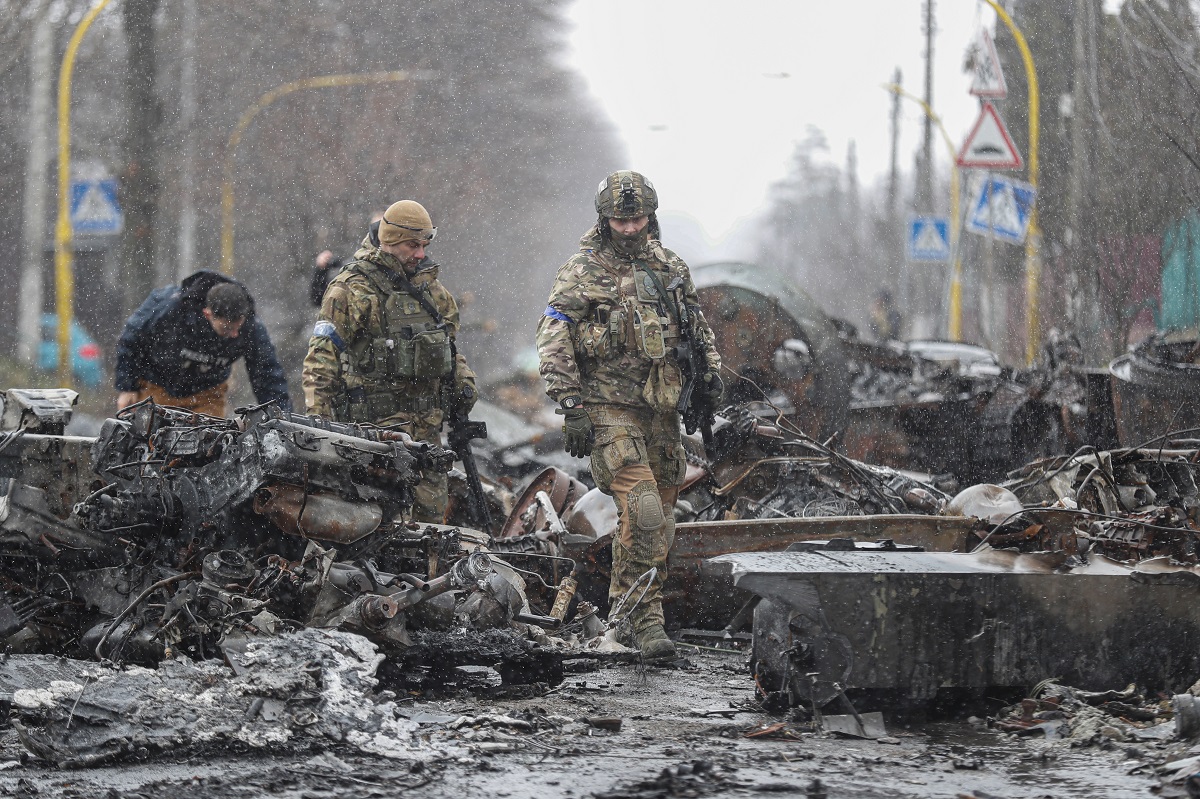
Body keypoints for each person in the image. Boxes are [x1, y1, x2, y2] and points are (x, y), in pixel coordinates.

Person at [535, 170, 723, 661]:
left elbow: (696, 329)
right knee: (640, 506)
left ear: (651, 216)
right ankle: (647, 619)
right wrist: (571, 404)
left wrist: (709, 381)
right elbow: (553, 335)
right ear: (605, 219)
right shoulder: (582, 270)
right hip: (607, 408)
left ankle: (623, 608)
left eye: (637, 218)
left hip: (660, 413)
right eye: (620, 220)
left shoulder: (670, 267)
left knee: (656, 522)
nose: (629, 228)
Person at [302, 200, 477, 524]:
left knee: (429, 529)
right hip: (372, 438)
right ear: (390, 241)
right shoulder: (351, 289)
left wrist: (463, 381)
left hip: (426, 436)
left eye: (424, 245)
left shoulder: (432, 292)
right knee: (377, 529)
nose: (421, 253)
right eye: (413, 245)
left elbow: (447, 348)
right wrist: (319, 429)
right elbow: (320, 361)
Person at [115, 270, 291, 416]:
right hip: (158, 386)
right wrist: (127, 387)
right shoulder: (169, 309)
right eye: (227, 329)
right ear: (208, 314)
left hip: (207, 393)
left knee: (209, 449)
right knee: (155, 448)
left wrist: (280, 416)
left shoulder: (251, 328)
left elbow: (267, 373)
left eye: (238, 328)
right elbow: (131, 339)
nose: (235, 334)